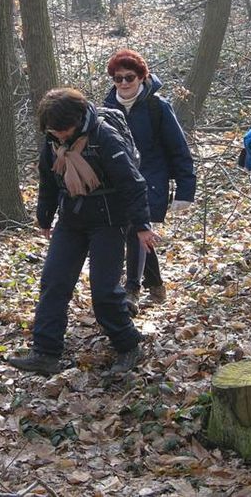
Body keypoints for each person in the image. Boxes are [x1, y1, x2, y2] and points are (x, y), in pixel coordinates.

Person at [8, 88, 160, 376]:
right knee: (53, 283)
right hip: (71, 219)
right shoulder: (53, 140)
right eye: (53, 131)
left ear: (78, 120)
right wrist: (44, 218)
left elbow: (133, 183)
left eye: (63, 130)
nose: (59, 136)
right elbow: (48, 180)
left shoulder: (104, 137)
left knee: (104, 291)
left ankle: (128, 345)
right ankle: (45, 352)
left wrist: (141, 226)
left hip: (109, 220)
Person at [104, 49, 196, 313]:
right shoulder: (107, 108)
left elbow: (178, 148)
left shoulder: (158, 106)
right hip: (120, 183)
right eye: (117, 78)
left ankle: (132, 289)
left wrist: (185, 190)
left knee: (135, 227)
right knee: (135, 231)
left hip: (152, 180)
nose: (123, 83)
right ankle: (156, 284)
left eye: (129, 77)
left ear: (142, 77)